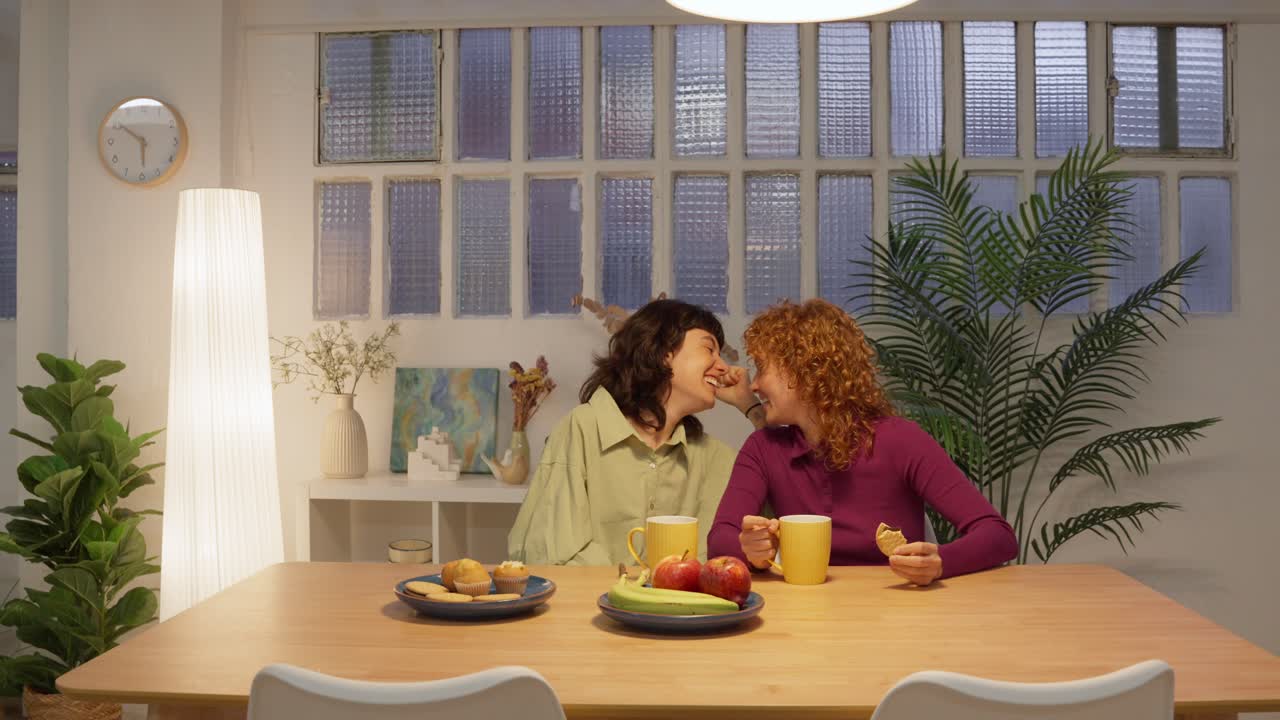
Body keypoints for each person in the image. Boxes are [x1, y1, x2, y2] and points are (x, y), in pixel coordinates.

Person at [707, 299, 1018, 586]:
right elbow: (720, 539)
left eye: (762, 368)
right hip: (805, 610)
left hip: (895, 611)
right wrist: (750, 549)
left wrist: (940, 562)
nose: (754, 384)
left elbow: (998, 535)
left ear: (805, 372)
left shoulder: (902, 440)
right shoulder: (762, 448)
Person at [508, 299, 761, 565]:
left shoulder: (715, 457)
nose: (723, 367)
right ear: (664, 352)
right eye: (709, 349)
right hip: (591, 593)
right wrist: (629, 586)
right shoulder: (582, 429)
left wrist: (751, 407)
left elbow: (779, 498)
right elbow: (551, 551)